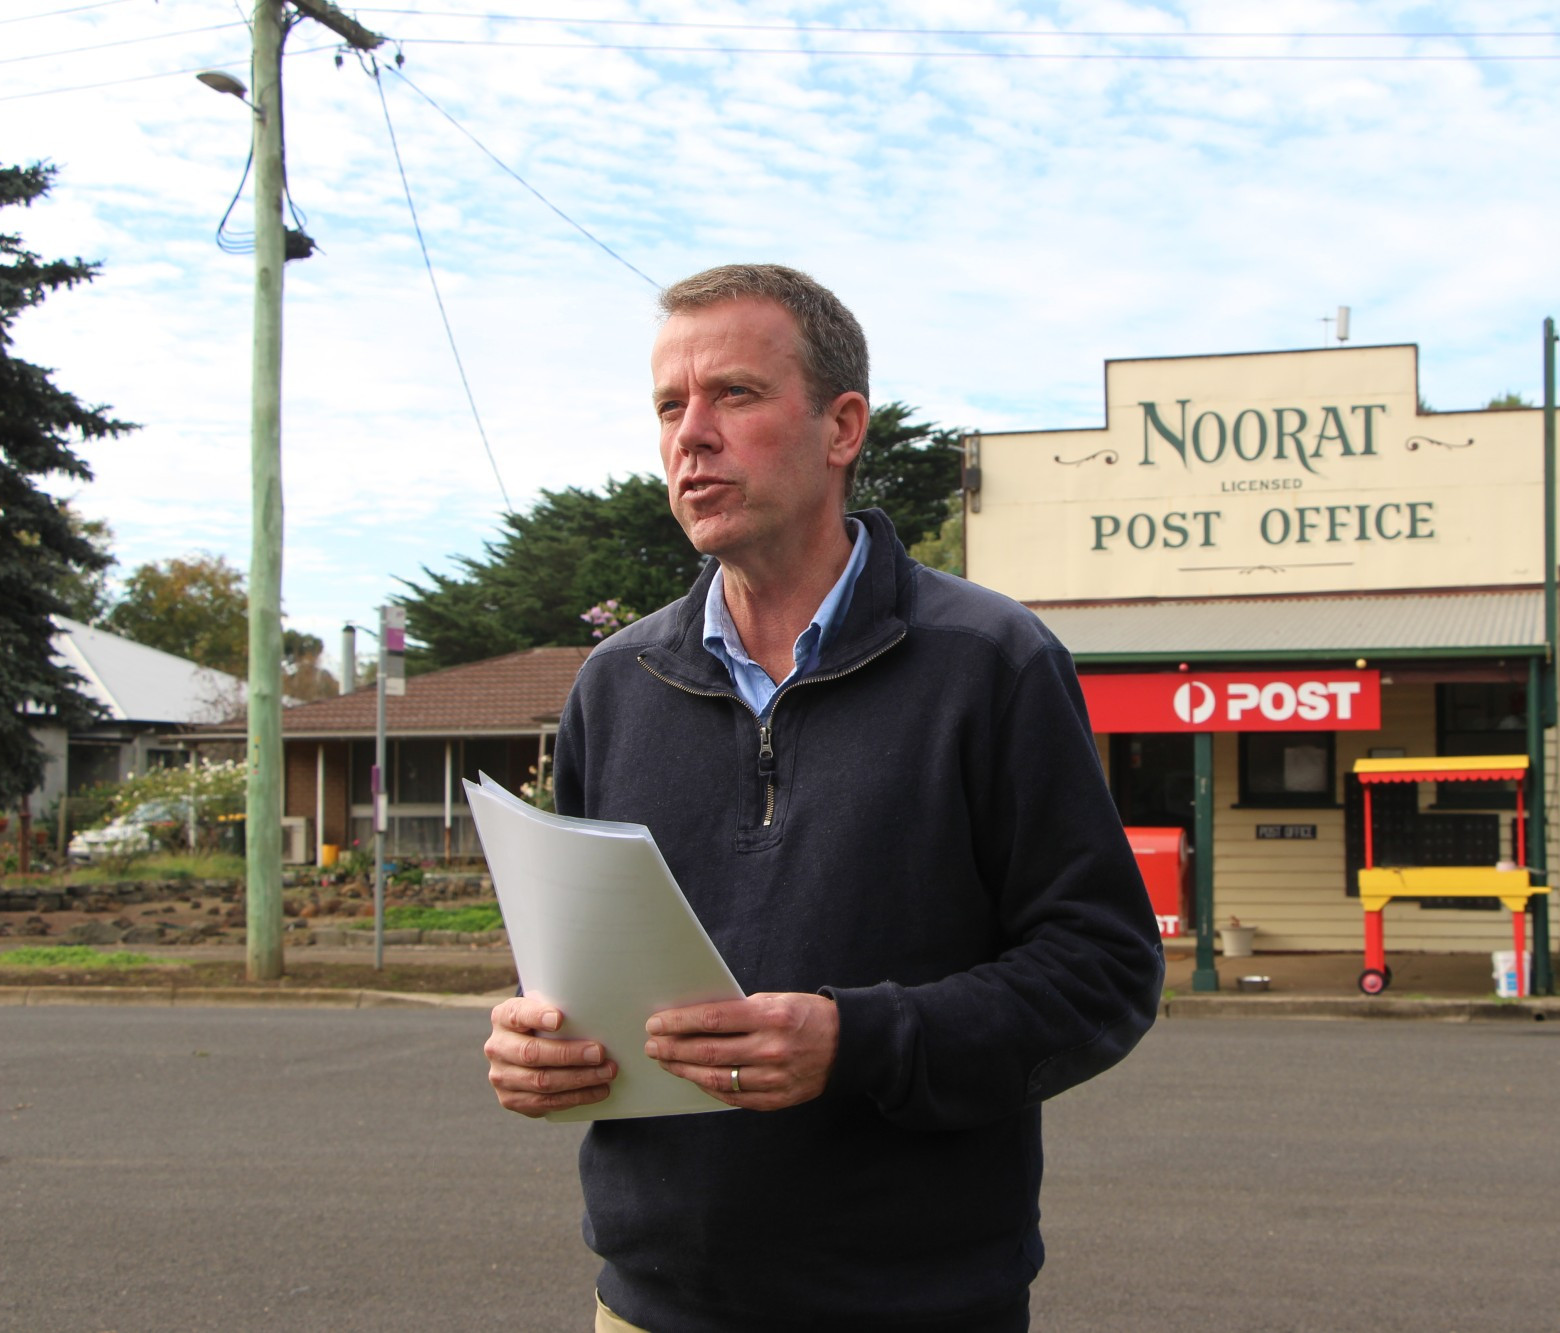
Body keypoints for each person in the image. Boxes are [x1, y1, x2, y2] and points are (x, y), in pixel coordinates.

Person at [483, 263, 1164, 1333]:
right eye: (669, 406)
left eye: (734, 396)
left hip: (916, 1301)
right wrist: (539, 1045)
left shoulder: (991, 662)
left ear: (841, 426)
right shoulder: (614, 686)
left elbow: (1103, 971)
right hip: (650, 1305)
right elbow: (574, 972)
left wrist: (858, 1041)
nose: (690, 436)